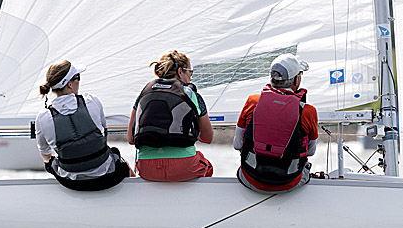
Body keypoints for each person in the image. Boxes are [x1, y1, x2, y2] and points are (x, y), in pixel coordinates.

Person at [36, 60, 133, 191]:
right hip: (107, 177)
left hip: (71, 183)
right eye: (78, 78)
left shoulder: (43, 117)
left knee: (51, 163)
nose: (79, 82)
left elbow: (45, 154)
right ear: (69, 84)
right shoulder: (91, 101)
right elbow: (104, 133)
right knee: (120, 159)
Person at [234, 53, 318, 193]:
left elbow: (237, 145)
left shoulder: (253, 102)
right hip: (289, 183)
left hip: (250, 179)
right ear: (296, 80)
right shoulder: (308, 111)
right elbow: (310, 151)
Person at [127, 50, 214, 181]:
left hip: (147, 169)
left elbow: (131, 139)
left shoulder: (143, 93)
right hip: (183, 166)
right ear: (180, 71)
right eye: (190, 72)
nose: (190, 77)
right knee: (207, 166)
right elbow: (208, 137)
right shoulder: (191, 94)